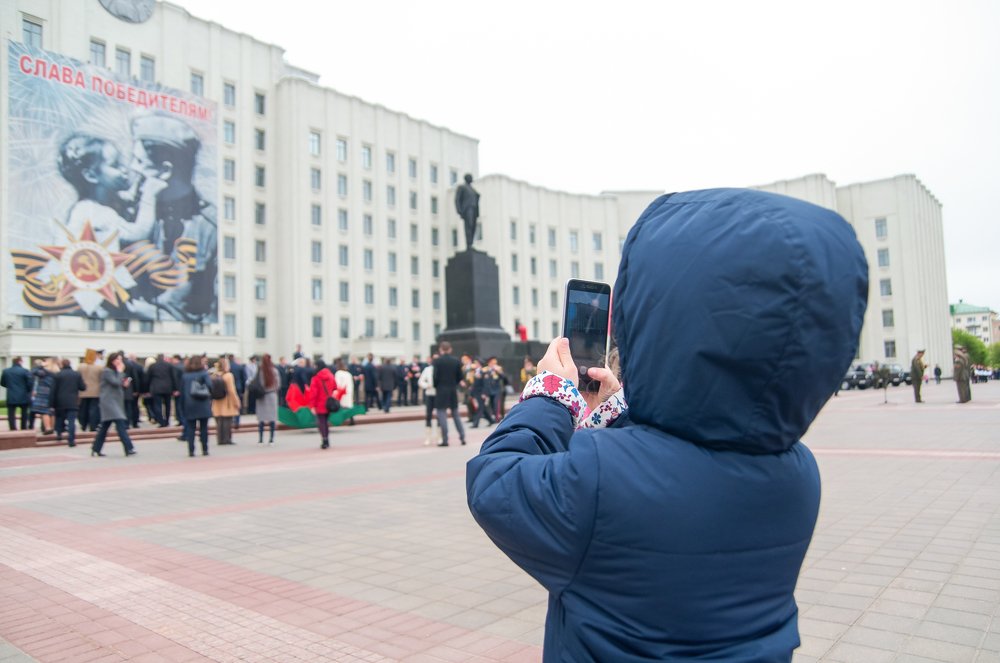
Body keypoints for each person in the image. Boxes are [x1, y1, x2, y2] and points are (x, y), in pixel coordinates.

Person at [467, 188, 869, 661]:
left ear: (660, 320)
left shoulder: (599, 480)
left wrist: (552, 394)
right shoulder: (798, 474)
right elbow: (688, 453)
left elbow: (495, 480)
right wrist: (620, 407)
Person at [130, 113, 217, 323]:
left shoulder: (211, 226)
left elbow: (212, 306)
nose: (133, 168)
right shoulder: (130, 212)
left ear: (165, 170)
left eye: (140, 161)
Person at [91, 352, 137, 457]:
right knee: (120, 424)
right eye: (117, 360)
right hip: (109, 402)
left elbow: (119, 384)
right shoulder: (107, 371)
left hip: (115, 401)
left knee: (104, 426)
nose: (119, 362)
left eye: (120, 360)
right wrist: (121, 372)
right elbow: (115, 382)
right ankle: (128, 447)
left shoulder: (115, 371)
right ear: (112, 360)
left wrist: (125, 382)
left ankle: (96, 448)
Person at [432, 342, 466, 447]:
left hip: (441, 390)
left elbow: (435, 377)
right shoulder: (456, 361)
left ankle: (445, 440)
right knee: (456, 414)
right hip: (452, 390)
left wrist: (436, 386)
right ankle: (462, 437)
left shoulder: (437, 361)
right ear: (450, 349)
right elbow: (460, 377)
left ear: (441, 350)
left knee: (442, 415)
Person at [180, 355, 212, 457]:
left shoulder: (185, 376)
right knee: (203, 428)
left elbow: (181, 391)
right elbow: (210, 386)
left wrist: (181, 406)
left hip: (189, 404)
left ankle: (191, 450)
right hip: (202, 403)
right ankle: (205, 449)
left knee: (190, 428)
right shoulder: (204, 373)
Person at [51, 359, 86, 447]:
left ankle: (59, 434)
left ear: (62, 365)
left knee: (59, 419)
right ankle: (71, 440)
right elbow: (82, 387)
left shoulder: (57, 375)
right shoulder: (76, 374)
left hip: (60, 401)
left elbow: (53, 390)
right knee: (71, 421)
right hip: (73, 400)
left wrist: (51, 403)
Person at [308, 360, 338, 449]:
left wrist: (312, 405)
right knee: (325, 422)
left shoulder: (316, 378)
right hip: (329, 403)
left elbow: (313, 393)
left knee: (321, 422)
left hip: (319, 403)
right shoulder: (330, 375)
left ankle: (324, 440)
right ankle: (327, 439)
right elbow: (335, 387)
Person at [212, 358, 241, 445]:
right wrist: (237, 402)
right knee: (227, 421)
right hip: (227, 401)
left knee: (219, 421)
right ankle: (227, 439)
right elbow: (232, 390)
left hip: (216, 401)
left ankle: (220, 439)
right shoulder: (228, 376)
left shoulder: (215, 375)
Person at [1, 356, 33, 431]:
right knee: (24, 413)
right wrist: (27, 390)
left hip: (11, 394)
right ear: (20, 361)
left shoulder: (6, 371)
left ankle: (12, 427)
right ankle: (23, 427)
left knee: (11, 413)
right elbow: (30, 383)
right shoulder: (25, 371)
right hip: (23, 394)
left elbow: (2, 383)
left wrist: (10, 386)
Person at [255, 354, 281, 445]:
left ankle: (261, 439)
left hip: (262, 396)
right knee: (272, 418)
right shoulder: (274, 371)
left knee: (261, 419)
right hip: (272, 395)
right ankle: (271, 439)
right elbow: (278, 385)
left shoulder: (260, 371)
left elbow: (258, 383)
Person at [146, 354, 176, 427]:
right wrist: (175, 388)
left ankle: (161, 421)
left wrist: (147, 389)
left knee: (157, 405)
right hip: (168, 388)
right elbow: (173, 377)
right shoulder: (169, 366)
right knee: (168, 405)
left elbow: (147, 378)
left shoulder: (152, 366)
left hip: (156, 388)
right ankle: (167, 420)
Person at [455, 173, 480, 250]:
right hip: (467, 209)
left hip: (474, 210)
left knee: (473, 227)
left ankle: (471, 243)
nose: (471, 179)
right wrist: (459, 210)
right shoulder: (462, 187)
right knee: (469, 225)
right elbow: (457, 199)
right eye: (470, 177)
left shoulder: (473, 190)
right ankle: (468, 244)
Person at [77, 353, 102, 432]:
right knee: (94, 409)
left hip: (83, 391)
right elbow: (101, 379)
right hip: (95, 391)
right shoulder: (99, 367)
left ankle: (83, 425)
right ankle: (93, 425)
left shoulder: (80, 367)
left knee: (83, 409)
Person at [31, 359, 57, 435]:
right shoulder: (56, 372)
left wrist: (40, 365)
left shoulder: (44, 372)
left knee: (44, 411)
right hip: (53, 392)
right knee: (52, 411)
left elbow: (33, 371)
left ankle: (48, 427)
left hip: (43, 392)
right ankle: (52, 427)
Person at [418, 356, 438, 445]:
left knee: (439, 416)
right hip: (429, 394)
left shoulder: (441, 369)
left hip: (438, 395)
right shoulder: (427, 369)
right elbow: (420, 381)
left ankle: (439, 437)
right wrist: (427, 385)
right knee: (428, 415)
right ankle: (428, 437)